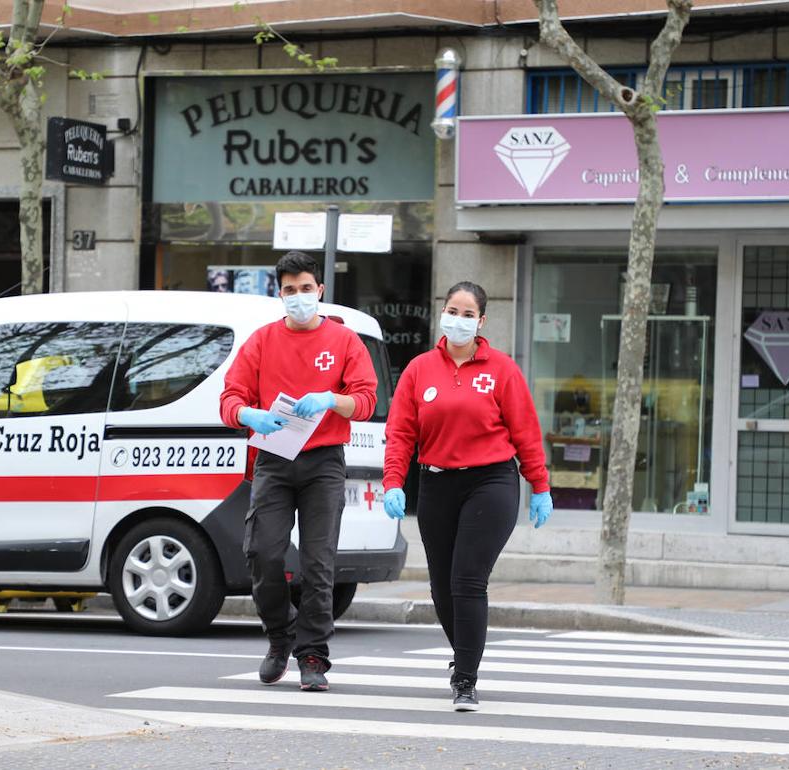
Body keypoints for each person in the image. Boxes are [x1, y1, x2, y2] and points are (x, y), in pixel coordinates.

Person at [381, 280, 553, 712]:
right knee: (441, 587)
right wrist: (393, 482)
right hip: (437, 482)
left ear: (481, 321)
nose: (457, 320)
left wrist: (541, 486)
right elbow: (401, 432)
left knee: (467, 580)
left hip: (490, 482)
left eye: (466, 313)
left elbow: (526, 432)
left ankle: (465, 678)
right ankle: (466, 651)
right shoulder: (420, 369)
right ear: (442, 313)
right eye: (451, 311)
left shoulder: (501, 369)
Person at [220, 251, 377, 692]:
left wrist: (330, 399)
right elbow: (229, 400)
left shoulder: (345, 342)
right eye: (290, 290)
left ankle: (313, 656)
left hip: (324, 461)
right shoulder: (262, 340)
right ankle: (279, 636)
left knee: (318, 562)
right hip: (273, 457)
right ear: (279, 293)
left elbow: (365, 401)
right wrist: (250, 415)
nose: (299, 297)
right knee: (264, 554)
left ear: (320, 290)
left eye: (306, 288)